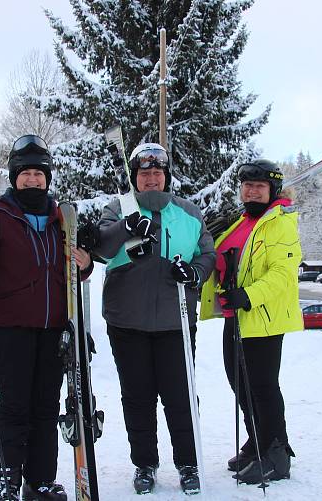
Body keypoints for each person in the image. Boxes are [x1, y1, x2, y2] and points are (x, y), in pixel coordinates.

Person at [0, 135, 92, 501]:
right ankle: (9, 480)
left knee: (46, 405)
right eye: (26, 174)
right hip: (9, 326)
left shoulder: (63, 217)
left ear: (47, 178)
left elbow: (76, 265)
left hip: (52, 327)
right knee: (15, 403)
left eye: (38, 174)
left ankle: (41, 481)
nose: (33, 180)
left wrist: (86, 263)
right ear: (15, 177)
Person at [91, 142, 215, 495]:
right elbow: (101, 247)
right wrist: (127, 228)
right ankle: (144, 464)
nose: (151, 179)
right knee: (137, 397)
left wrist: (193, 273)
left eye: (157, 173)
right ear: (135, 178)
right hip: (127, 323)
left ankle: (188, 463)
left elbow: (207, 253)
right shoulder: (118, 209)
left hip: (174, 323)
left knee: (181, 397)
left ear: (166, 177)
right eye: (144, 174)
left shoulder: (188, 213)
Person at [199, 159, 301, 485]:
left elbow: (282, 275)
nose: (252, 191)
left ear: (272, 190)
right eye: (247, 186)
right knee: (239, 384)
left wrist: (249, 295)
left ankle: (276, 453)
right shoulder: (241, 221)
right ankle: (256, 439)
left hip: (264, 318)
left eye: (259, 186)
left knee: (263, 387)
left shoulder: (279, 224)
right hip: (236, 316)